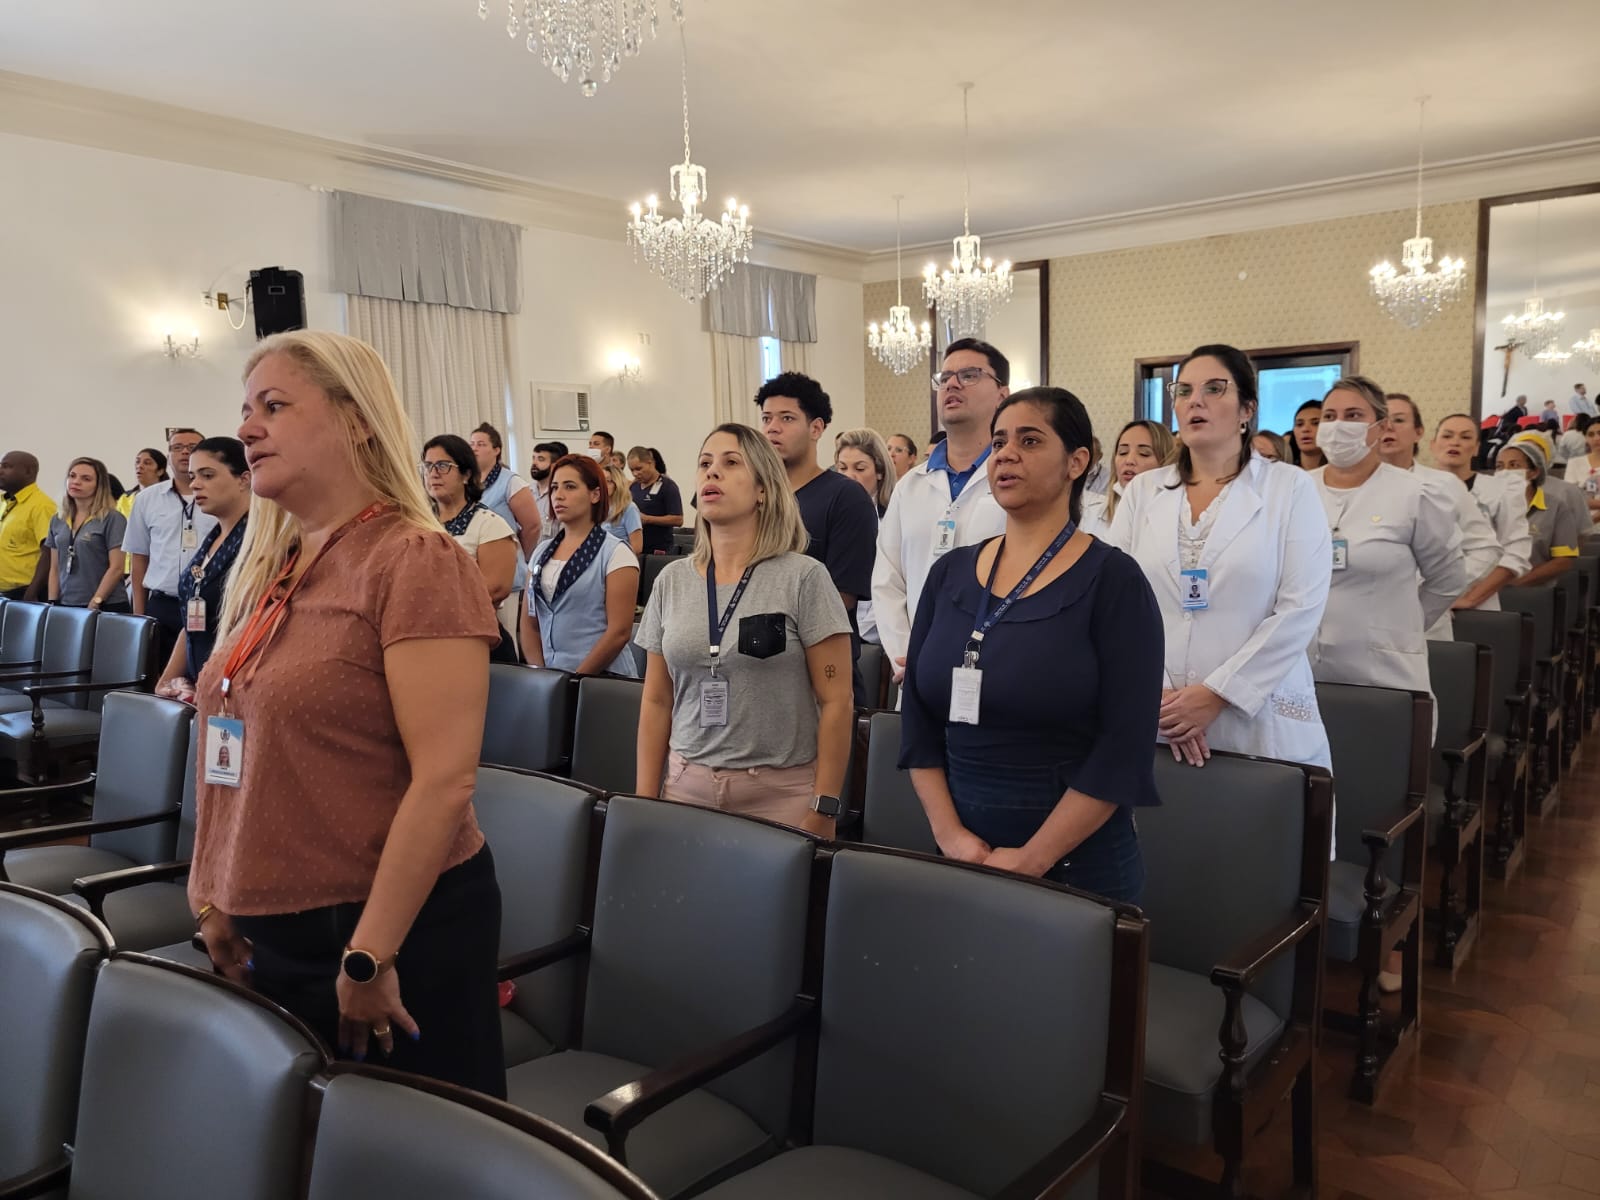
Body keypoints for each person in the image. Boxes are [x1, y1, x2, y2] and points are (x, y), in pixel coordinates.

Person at [188, 330, 505, 1097]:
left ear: (356, 419)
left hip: (386, 933)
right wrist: (212, 893)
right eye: (246, 410)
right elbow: (230, 740)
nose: (247, 429)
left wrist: (370, 954)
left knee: (410, 1146)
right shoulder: (279, 566)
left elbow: (444, 781)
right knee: (308, 1145)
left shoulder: (415, 560)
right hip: (275, 928)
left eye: (273, 406)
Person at [901, 387, 1162, 903]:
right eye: (999, 442)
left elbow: (1124, 748)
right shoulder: (949, 573)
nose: (1006, 454)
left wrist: (1032, 859)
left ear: (1076, 462)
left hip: (1073, 866)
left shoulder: (1115, 581)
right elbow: (917, 719)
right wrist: (950, 835)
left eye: (1030, 440)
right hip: (960, 853)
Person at [1108, 345, 1332, 777]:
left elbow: (1301, 608)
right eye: (1184, 391)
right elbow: (1117, 600)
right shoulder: (1143, 491)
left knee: (1259, 817)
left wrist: (1218, 694)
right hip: (1158, 712)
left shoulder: (1289, 488)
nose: (1195, 401)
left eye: (1214, 389)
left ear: (1247, 409)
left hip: (1257, 714)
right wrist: (1161, 696)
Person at [635, 424, 851, 832]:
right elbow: (657, 700)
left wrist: (824, 806)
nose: (712, 472)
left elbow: (837, 700)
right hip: (687, 788)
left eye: (731, 462)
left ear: (762, 489)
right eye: (705, 463)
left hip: (781, 796)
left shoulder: (803, 577)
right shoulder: (671, 581)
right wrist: (644, 800)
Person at [1308, 376, 1464, 696]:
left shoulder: (1415, 493)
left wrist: (1400, 628)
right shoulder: (1296, 489)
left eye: (1353, 416)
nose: (1338, 426)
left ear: (1381, 427)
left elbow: (1448, 578)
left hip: (1383, 671)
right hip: (1302, 667)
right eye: (1329, 416)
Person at [872, 339, 1010, 687]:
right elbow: (887, 580)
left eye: (969, 375)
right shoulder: (910, 486)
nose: (952, 384)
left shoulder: (1014, 479)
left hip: (998, 669)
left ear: (1002, 395)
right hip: (916, 668)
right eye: (945, 377)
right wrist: (906, 653)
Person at [756, 372, 878, 707]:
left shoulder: (845, 497)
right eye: (766, 418)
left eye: (786, 418)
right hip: (756, 669)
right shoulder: (754, 496)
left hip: (819, 673)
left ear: (816, 428)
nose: (772, 428)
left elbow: (840, 600)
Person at [1379, 394, 1506, 626]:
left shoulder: (1443, 485)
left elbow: (1485, 548)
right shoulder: (1350, 486)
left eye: (1398, 420)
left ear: (1419, 432)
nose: (1388, 427)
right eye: (1381, 420)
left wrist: (1437, 592)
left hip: (1427, 618)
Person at [520, 454, 640, 676]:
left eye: (570, 487)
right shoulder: (541, 552)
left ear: (595, 494)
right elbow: (529, 623)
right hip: (551, 678)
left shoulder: (616, 553)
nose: (558, 495)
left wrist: (574, 680)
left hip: (601, 679)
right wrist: (542, 676)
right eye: (554, 488)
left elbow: (619, 632)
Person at [155, 437, 252, 700]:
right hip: (200, 680)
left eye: (207, 475)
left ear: (244, 479)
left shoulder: (256, 543)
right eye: (193, 476)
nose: (195, 484)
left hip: (233, 687)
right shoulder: (213, 538)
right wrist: (166, 680)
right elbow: (192, 619)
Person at [125, 428, 218, 668]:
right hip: (162, 605)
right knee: (158, 674)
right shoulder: (147, 499)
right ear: (168, 456)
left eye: (192, 447)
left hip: (209, 603)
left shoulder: (220, 495)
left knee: (202, 672)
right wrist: (139, 615)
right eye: (177, 448)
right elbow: (139, 558)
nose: (184, 452)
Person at [423, 435, 518, 664]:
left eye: (443, 466)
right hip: (428, 639)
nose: (433, 473)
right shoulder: (419, 524)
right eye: (428, 466)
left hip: (477, 640)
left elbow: (495, 589)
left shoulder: (488, 524)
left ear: (466, 474)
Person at [1429, 413, 1534, 602]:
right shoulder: (1414, 487)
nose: (1455, 442)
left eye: (1465, 437)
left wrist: (1471, 598)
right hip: (1417, 596)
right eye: (1447, 436)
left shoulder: (1501, 490)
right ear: (1433, 445)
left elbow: (1516, 552)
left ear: (1477, 447)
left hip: (1478, 598)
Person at [468, 423, 541, 643]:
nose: (475, 448)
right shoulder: (467, 481)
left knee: (504, 635)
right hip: (475, 571)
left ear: (496, 449)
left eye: (481, 444)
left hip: (505, 570)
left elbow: (532, 525)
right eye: (471, 444)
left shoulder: (510, 481)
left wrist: (519, 555)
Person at [45, 457, 129, 612]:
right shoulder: (58, 519)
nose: (76, 482)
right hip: (67, 603)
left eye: (86, 479)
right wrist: (52, 601)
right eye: (72, 476)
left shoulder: (112, 518)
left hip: (105, 604)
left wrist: (96, 601)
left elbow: (117, 568)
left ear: (99, 485)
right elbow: (55, 567)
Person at [1497, 432, 1581, 584]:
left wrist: (1517, 583)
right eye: (1500, 466)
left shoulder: (1556, 508)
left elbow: (1564, 560)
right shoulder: (1486, 505)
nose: (1505, 472)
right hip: (1486, 591)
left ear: (1534, 472)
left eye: (1514, 465)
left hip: (1536, 591)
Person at [1083, 419, 1176, 536]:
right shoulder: (1090, 514)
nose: (1129, 460)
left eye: (1144, 453)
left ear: (1165, 461)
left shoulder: (1176, 518)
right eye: (1123, 452)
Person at [0, 451, 56, 600]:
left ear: (28, 472)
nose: (0, 471)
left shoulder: (42, 506)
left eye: (6, 466)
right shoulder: (4, 502)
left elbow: (49, 552)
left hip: (24, 593)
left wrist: (32, 592)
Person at [627, 446, 684, 555]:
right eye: (632, 470)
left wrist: (648, 519)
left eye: (639, 469)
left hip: (659, 551)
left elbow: (678, 519)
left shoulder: (668, 486)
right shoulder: (633, 486)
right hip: (636, 549)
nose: (635, 473)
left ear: (650, 463)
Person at [833, 427, 897, 516]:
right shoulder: (829, 510)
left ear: (880, 471)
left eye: (860, 468)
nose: (849, 476)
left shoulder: (897, 512)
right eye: (843, 468)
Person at [599, 458, 645, 556]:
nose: (603, 485)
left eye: (608, 481)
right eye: (601, 481)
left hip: (618, 559)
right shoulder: (597, 508)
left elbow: (637, 547)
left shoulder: (629, 508)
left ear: (617, 483)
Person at [1563, 417, 1600, 522]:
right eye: (1591, 434)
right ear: (1585, 438)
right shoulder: (1574, 463)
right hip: (1581, 523)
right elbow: (1570, 497)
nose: (1596, 438)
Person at [529, 441, 568, 512]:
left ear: (554, 466)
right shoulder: (526, 491)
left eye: (541, 459)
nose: (534, 463)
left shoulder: (560, 494)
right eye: (533, 458)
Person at [1289, 400, 1324, 469]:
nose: (1305, 429)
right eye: (1299, 424)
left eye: (1315, 423)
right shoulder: (1284, 471)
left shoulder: (1341, 471)